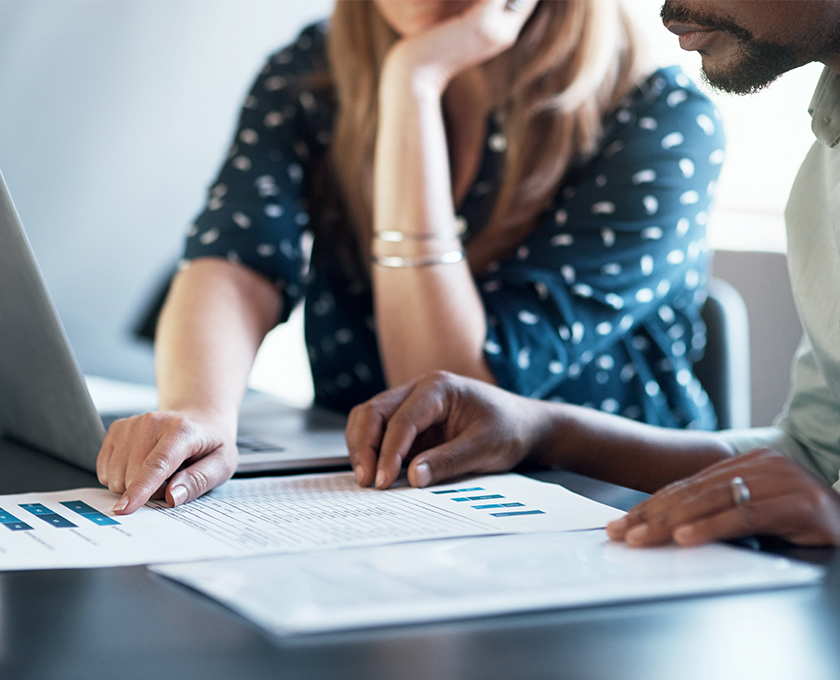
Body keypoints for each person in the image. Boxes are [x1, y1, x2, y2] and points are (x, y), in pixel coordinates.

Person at [99, 0, 723, 514]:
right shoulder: (313, 71)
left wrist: (414, 84)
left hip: (605, 511)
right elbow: (236, 257)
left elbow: (453, 403)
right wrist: (198, 411)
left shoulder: (659, 117)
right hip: (388, 502)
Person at [344, 0, 840, 548]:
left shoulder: (657, 114)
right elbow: (810, 459)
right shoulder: (823, 167)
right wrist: (539, 429)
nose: (666, 9)